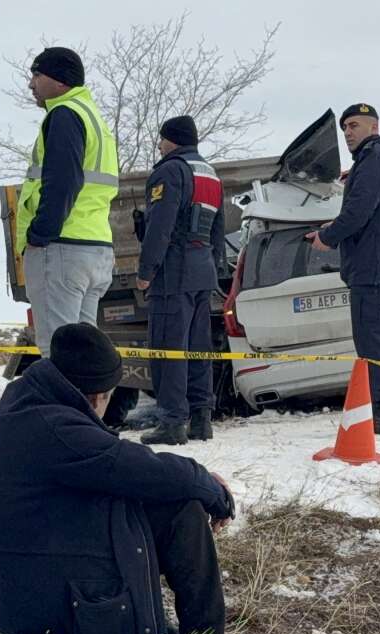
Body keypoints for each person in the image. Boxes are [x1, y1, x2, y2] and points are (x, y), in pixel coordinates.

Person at [0, 324, 282, 634]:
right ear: (99, 395)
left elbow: (119, 468)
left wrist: (193, 481)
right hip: (31, 604)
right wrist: (207, 486)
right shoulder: (55, 428)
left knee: (157, 496)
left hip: (8, 589)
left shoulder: (29, 403)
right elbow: (132, 465)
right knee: (181, 509)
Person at [306, 104, 380, 436]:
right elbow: (368, 211)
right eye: (344, 128)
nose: (348, 133)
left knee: (373, 340)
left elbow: (359, 210)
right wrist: (333, 226)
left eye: (354, 125)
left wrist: (328, 237)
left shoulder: (374, 157)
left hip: (374, 266)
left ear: (374, 127)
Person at [13, 46, 119, 360]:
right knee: (83, 355)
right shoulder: (93, 117)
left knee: (57, 352)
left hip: (61, 247)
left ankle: (64, 396)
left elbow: (62, 181)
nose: (31, 84)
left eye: (37, 75)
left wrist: (39, 234)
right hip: (95, 246)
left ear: (60, 80)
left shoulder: (64, 114)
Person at [136, 116, 226, 446]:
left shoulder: (170, 171)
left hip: (174, 272)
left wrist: (146, 271)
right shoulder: (209, 174)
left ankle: (172, 422)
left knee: (168, 348)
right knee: (199, 348)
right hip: (203, 270)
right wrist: (213, 267)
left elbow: (160, 225)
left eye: (161, 140)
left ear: (171, 140)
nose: (159, 147)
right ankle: (201, 419)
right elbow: (218, 228)